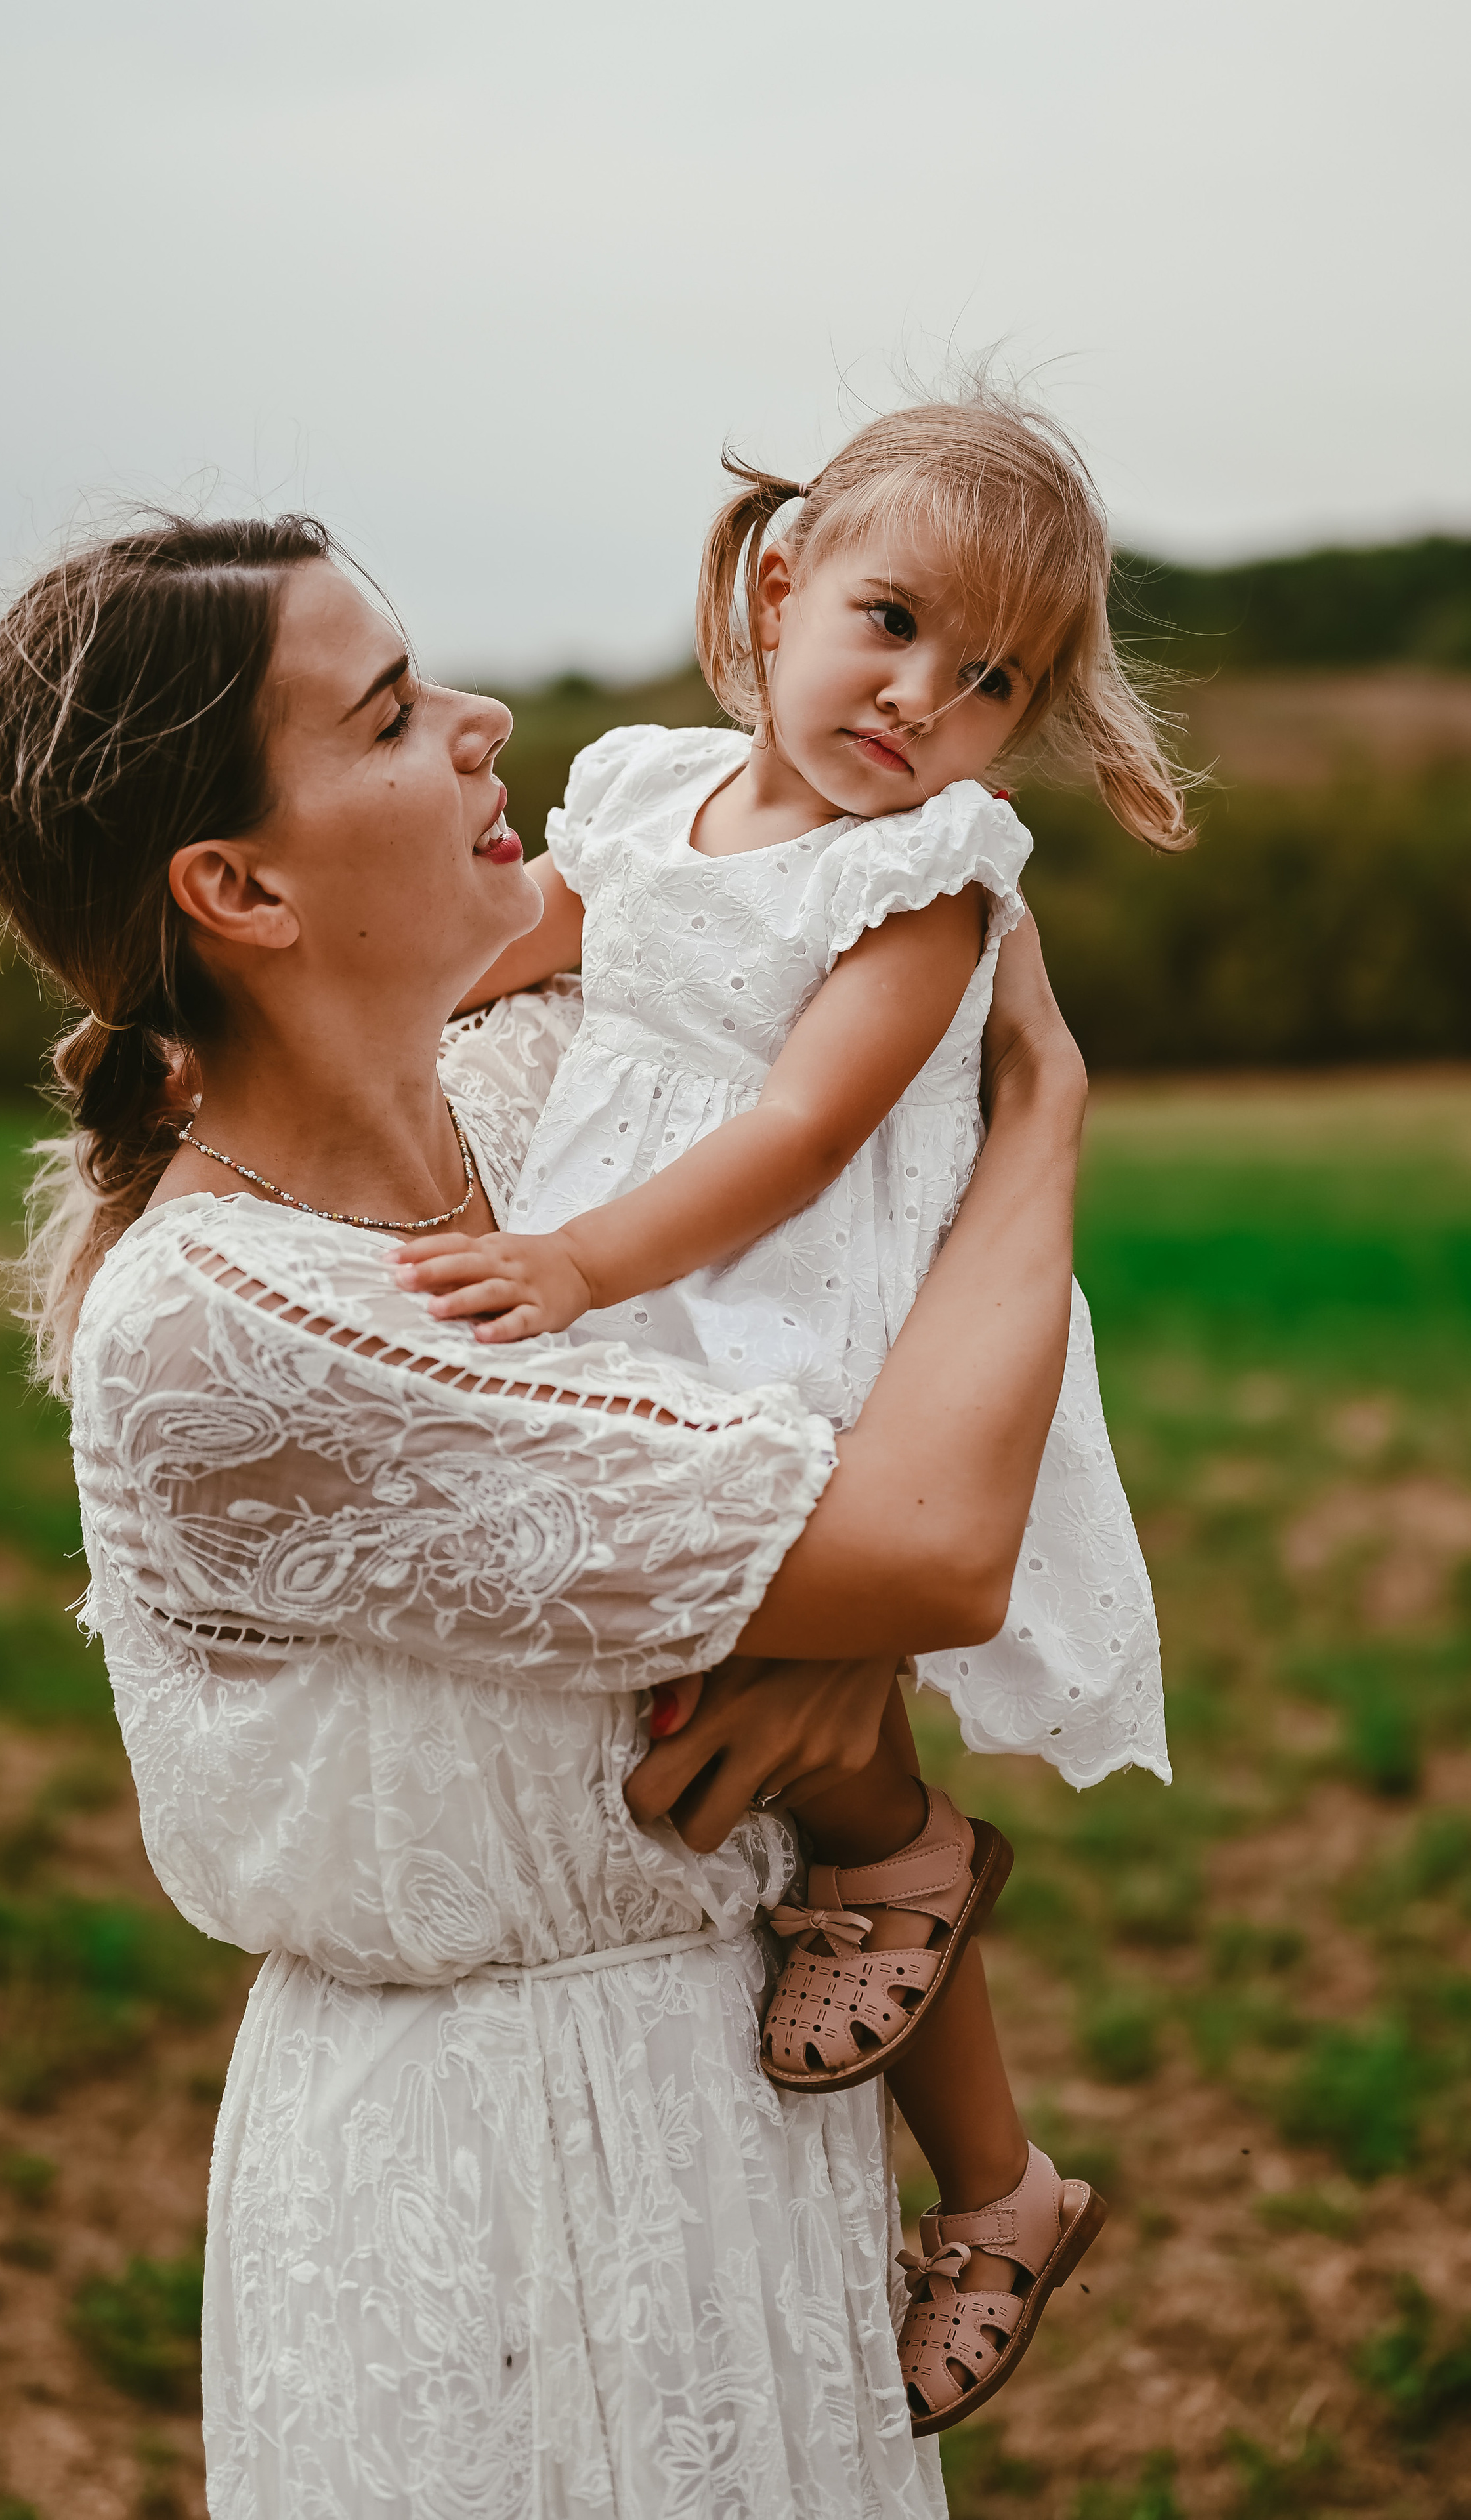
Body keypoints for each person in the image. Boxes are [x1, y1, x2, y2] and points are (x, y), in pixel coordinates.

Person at [0, 509, 1091, 2518]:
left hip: (741, 2127)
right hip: (481, 2193)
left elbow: (863, 1253)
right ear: (238, 885)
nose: (482, 726)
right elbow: (928, 1536)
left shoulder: (551, 1088)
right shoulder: (226, 1335)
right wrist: (1052, 1109)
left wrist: (839, 1628)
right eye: (391, 715)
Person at [391, 394, 1182, 2427]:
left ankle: (963, 2054)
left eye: (993, 676)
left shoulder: (928, 878)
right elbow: (545, 941)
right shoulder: (651, 788)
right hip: (664, 1265)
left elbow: (813, 1131)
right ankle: (989, 2147)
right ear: (777, 587)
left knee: (819, 1701)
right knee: (707, 1682)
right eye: (895, 621)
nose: (924, 697)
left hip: (812, 1304)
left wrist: (575, 1268)